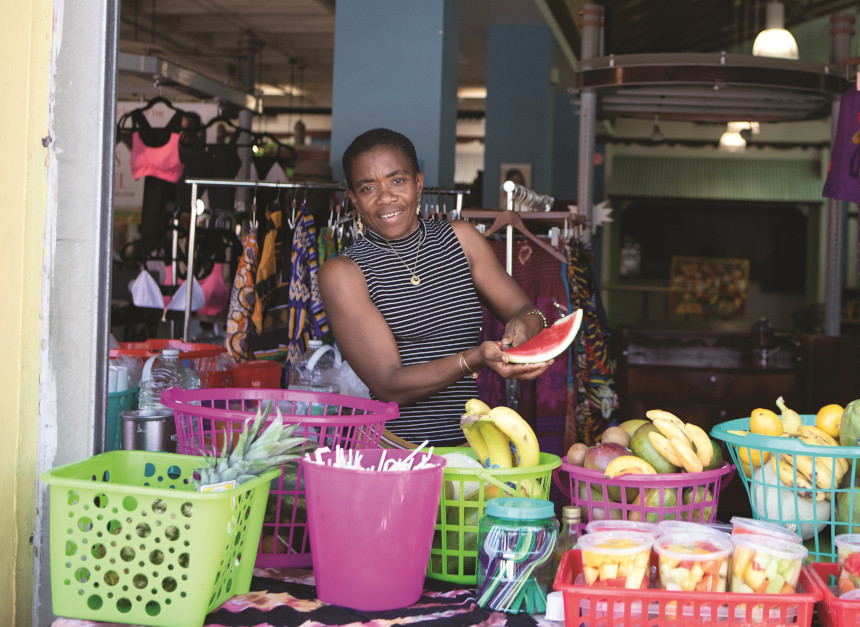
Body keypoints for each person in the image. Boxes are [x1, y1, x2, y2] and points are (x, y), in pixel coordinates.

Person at [318, 128, 551, 446]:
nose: (386, 197)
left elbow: (528, 309)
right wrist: (474, 359)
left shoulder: (462, 240)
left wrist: (526, 325)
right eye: (368, 187)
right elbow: (389, 384)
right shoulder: (343, 273)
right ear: (353, 199)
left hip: (473, 446)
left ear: (418, 182)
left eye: (397, 180)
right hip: (397, 448)